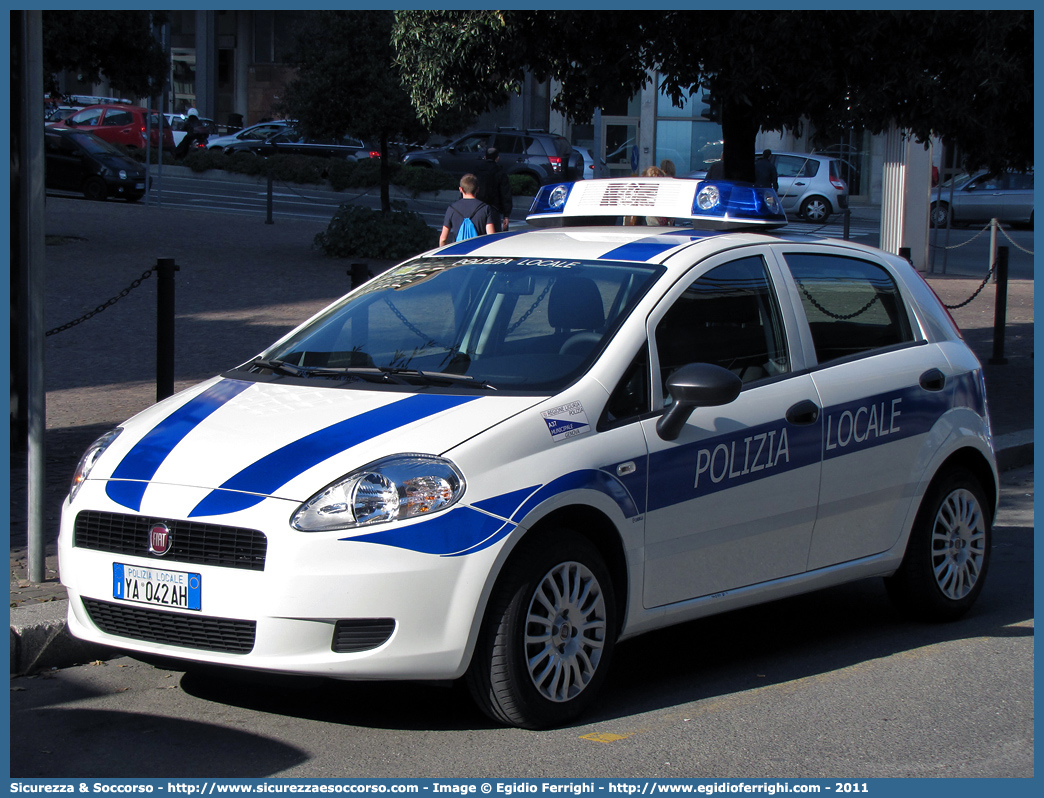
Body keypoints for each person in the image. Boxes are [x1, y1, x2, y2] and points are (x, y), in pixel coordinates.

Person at [439, 173, 498, 246]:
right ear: (477, 189)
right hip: (477, 253)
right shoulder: (485, 208)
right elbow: (491, 237)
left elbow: (443, 239)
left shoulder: (452, 209)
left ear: (460, 189)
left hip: (458, 253)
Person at [473, 147, 513, 231]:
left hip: (477, 207)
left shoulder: (476, 169)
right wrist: (506, 215)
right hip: (493, 208)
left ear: (485, 157)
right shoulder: (500, 171)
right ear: (497, 158)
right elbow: (505, 194)